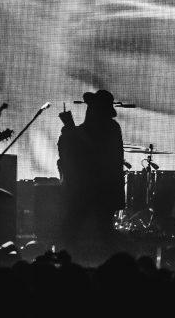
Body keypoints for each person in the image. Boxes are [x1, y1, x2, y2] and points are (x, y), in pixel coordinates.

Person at [56, 89, 125, 259]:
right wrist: (69, 131)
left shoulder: (111, 128)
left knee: (86, 228)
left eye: (91, 108)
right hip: (87, 189)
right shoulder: (96, 128)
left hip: (101, 189)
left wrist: (71, 129)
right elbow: (70, 150)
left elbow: (93, 150)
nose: (88, 111)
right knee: (79, 227)